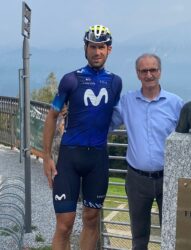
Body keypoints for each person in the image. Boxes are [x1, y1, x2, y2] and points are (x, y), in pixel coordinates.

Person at [43, 24, 122, 249]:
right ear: (85, 48)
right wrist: (47, 157)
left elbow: (112, 115)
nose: (97, 52)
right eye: (92, 47)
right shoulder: (71, 79)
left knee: (91, 219)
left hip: (97, 159)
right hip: (69, 158)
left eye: (102, 47)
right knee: (64, 224)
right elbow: (52, 116)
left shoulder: (116, 82)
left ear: (109, 50)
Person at [110, 53, 183, 249]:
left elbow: (188, 138)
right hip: (137, 179)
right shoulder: (127, 102)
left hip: (169, 177)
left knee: (172, 234)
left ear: (160, 71)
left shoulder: (176, 103)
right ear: (137, 74)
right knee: (139, 236)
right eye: (144, 71)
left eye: (153, 70)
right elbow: (105, 124)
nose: (149, 75)